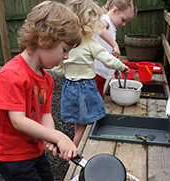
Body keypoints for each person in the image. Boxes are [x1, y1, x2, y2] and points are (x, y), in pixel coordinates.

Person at [0, 1, 82, 181]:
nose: (66, 57)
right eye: (64, 49)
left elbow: (45, 114)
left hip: (31, 147)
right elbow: (18, 121)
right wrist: (60, 137)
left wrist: (51, 137)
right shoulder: (11, 75)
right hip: (10, 153)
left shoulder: (46, 79)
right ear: (44, 40)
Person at [52, 0, 129, 147]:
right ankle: (72, 150)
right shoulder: (90, 44)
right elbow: (108, 59)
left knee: (79, 120)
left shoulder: (66, 45)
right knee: (85, 123)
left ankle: (74, 144)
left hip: (69, 86)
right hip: (85, 87)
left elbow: (59, 66)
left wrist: (63, 70)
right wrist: (123, 67)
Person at [95, 0, 137, 96]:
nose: (124, 24)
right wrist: (115, 45)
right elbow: (100, 28)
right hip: (95, 73)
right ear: (115, 11)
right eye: (123, 19)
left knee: (98, 99)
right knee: (92, 101)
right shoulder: (106, 20)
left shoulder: (111, 26)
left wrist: (114, 67)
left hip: (101, 74)